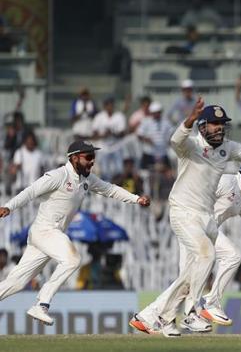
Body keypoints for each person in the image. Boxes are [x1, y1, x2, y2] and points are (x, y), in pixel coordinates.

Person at [135, 98, 241, 337]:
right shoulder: (191, 146)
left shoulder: (228, 148)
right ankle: (193, 313)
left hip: (206, 219)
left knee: (193, 273)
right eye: (214, 124)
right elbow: (175, 140)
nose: (219, 128)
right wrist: (189, 120)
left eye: (222, 124)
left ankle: (154, 317)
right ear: (202, 126)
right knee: (206, 257)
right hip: (184, 212)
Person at [131, 163, 241, 333]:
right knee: (231, 256)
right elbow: (197, 194)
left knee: (189, 280)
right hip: (194, 226)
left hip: (208, 233)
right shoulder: (227, 182)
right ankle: (206, 305)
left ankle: (154, 317)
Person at [0, 140, 150, 326]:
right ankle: (42, 304)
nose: (92, 161)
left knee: (16, 282)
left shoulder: (86, 180)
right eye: (88, 157)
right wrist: (8, 206)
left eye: (93, 157)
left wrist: (136, 199)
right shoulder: (59, 175)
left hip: (47, 235)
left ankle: (39, 303)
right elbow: (31, 191)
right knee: (72, 259)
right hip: (45, 230)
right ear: (73, 158)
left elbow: (110, 190)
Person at [91, 97, 127, 180]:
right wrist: (104, 135)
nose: (110, 106)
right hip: (103, 147)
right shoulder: (99, 117)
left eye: (111, 104)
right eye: (108, 105)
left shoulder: (119, 116)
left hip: (116, 146)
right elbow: (94, 134)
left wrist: (113, 133)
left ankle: (118, 188)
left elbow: (122, 134)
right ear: (105, 106)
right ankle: (106, 190)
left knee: (119, 170)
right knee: (104, 171)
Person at [137, 101, 174, 170]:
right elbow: (139, 134)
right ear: (151, 113)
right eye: (154, 113)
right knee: (146, 172)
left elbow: (172, 132)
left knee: (167, 171)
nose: (156, 114)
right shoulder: (146, 121)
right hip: (149, 152)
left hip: (163, 152)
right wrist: (146, 139)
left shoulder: (166, 122)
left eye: (158, 112)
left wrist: (169, 140)